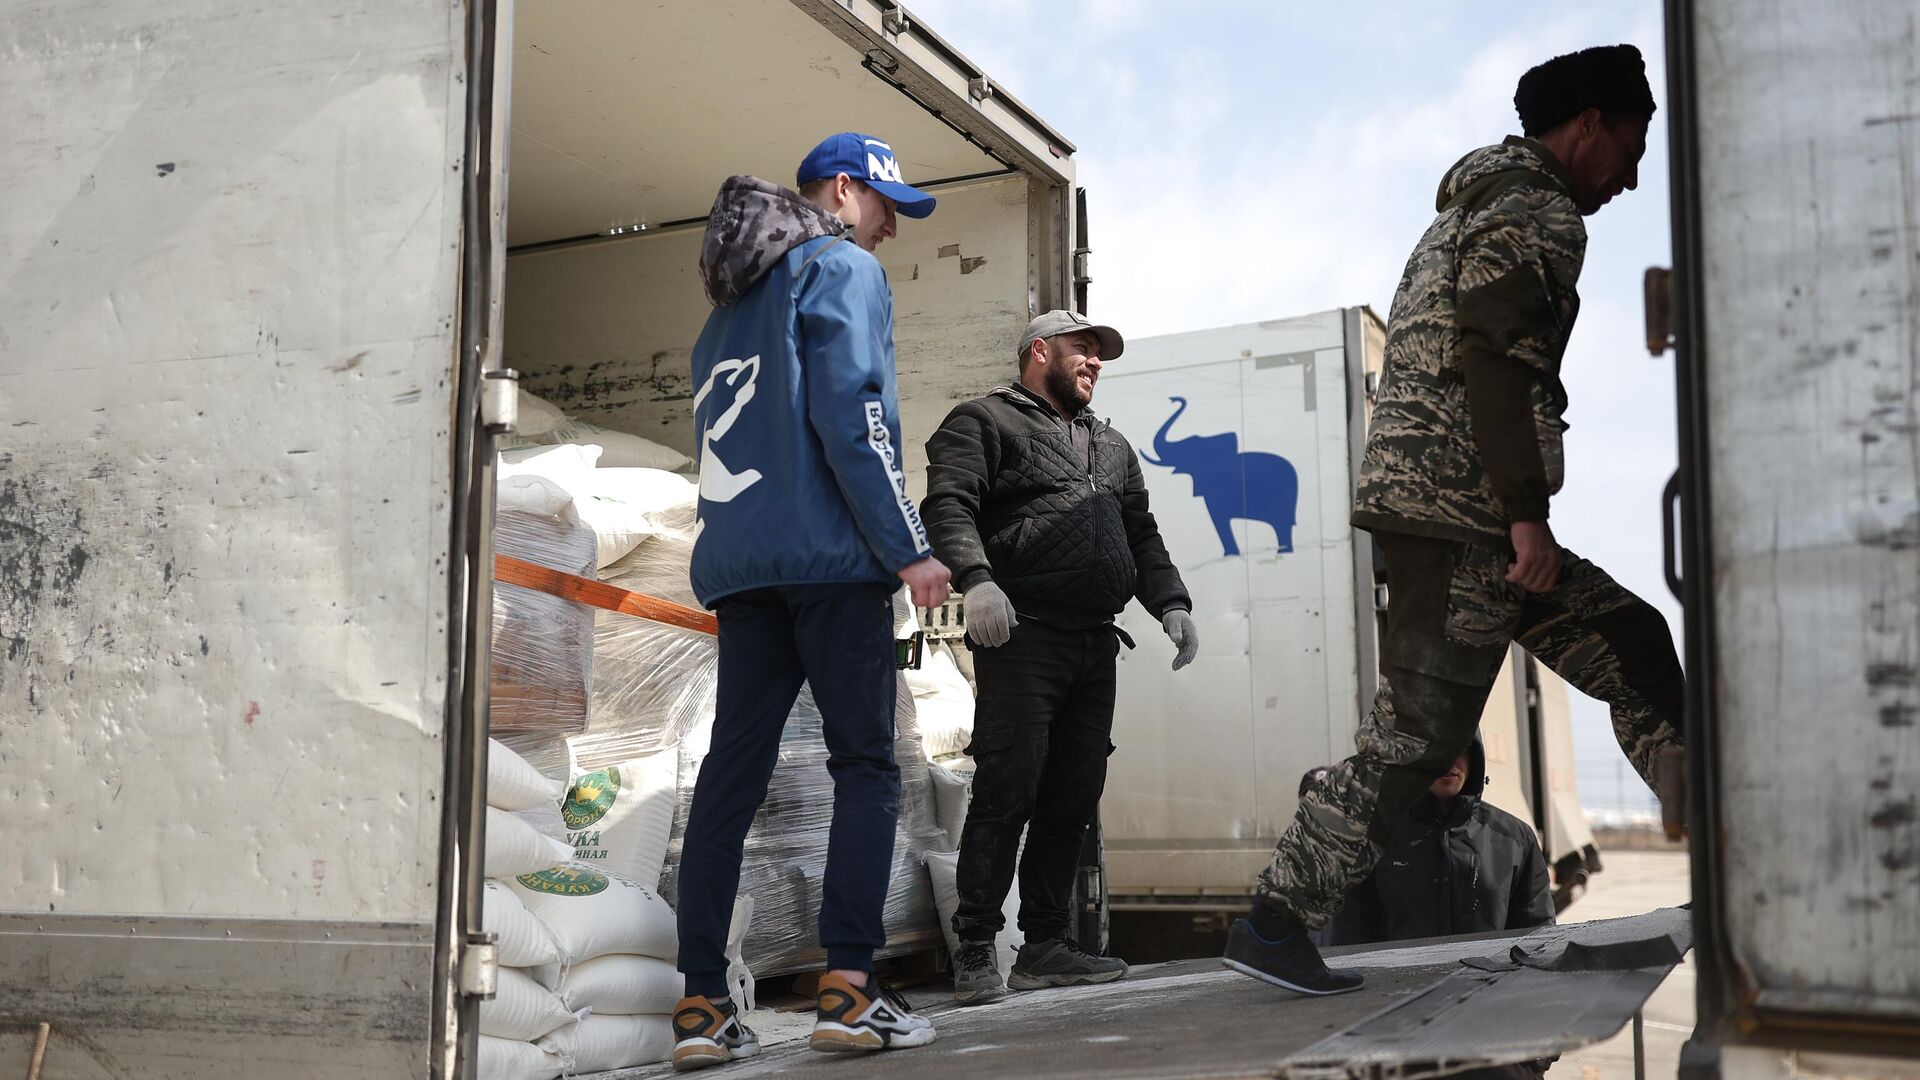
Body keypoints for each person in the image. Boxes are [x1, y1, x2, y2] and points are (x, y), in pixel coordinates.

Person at [1223, 44, 1685, 996]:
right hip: (1467, 520)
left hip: (1456, 513)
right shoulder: (1537, 208)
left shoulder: (1480, 205)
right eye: (1632, 145)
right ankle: (1274, 920)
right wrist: (1527, 521)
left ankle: (1707, 828)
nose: (1634, 175)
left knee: (1633, 640)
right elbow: (1497, 361)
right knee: (1421, 736)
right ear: (1589, 124)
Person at [670, 132, 952, 1070]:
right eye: (884, 208)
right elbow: (855, 414)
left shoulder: (726, 309)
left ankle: (702, 1005)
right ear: (842, 191)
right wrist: (910, 548)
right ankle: (850, 990)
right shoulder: (842, 269)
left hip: (745, 571)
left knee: (730, 777)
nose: (889, 232)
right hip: (833, 563)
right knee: (867, 768)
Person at [921, 309, 1199, 1005]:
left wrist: (1171, 602)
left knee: (1071, 795)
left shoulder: (1112, 447)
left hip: (1093, 641)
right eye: (1083, 349)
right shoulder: (982, 421)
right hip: (1022, 636)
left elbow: (1142, 535)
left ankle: (1043, 944)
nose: (1094, 362)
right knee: (1006, 789)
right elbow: (948, 503)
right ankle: (977, 945)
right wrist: (977, 581)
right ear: (1038, 351)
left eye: (1100, 354)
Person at [1323, 736, 1553, 946]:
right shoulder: (1371, 837)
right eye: (1436, 750)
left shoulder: (1513, 839)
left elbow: (1537, 937)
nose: (1449, 761)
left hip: (1488, 989)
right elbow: (1348, 941)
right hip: (1403, 990)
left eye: (1460, 749)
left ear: (1475, 756)